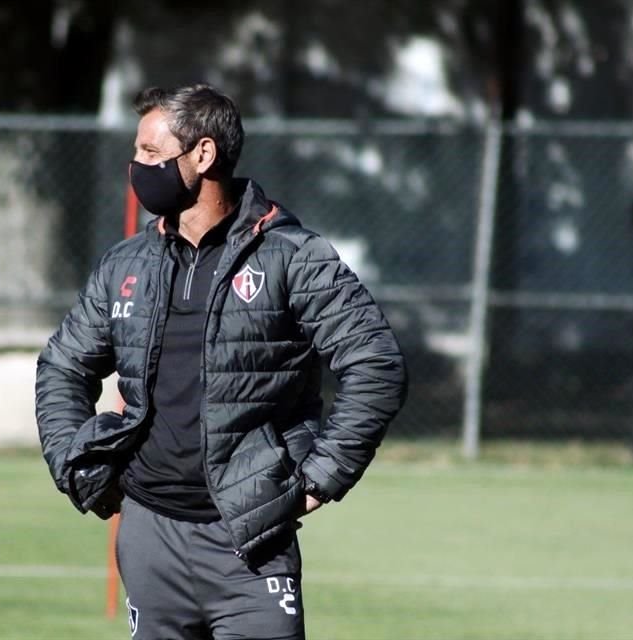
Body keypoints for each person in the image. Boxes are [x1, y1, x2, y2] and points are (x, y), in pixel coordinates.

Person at [35, 84, 407, 640]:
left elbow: (375, 362)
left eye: (151, 155)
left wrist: (321, 479)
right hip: (147, 536)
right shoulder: (127, 262)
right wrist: (77, 463)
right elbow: (62, 366)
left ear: (203, 155)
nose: (136, 167)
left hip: (250, 544)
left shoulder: (293, 257)